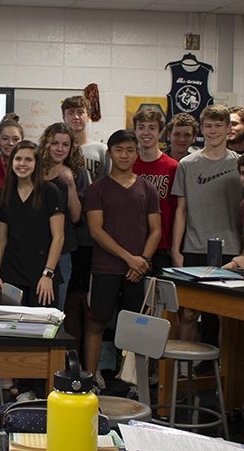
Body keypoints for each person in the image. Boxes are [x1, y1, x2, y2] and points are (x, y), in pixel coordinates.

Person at [84, 129, 160, 388]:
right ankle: (91, 377)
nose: (124, 155)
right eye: (119, 150)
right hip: (106, 267)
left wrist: (143, 260)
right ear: (110, 153)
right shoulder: (98, 189)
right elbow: (96, 230)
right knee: (96, 323)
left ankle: (135, 382)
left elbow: (156, 230)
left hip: (139, 270)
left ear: (136, 153)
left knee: (137, 329)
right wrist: (130, 258)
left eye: (129, 150)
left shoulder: (147, 189)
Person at [171, 104, 243, 343]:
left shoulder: (240, 165)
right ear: (201, 129)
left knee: (226, 315)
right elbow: (181, 210)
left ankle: (221, 371)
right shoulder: (187, 164)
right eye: (208, 126)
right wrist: (176, 250)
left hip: (231, 250)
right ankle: (183, 372)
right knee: (189, 312)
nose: (213, 131)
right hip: (194, 248)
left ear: (227, 129)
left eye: (218, 126)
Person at [0, 140, 64, 307]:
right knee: (12, 329)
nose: (22, 164)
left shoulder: (49, 191)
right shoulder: (5, 195)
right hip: (11, 276)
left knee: (42, 329)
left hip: (42, 276)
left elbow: (59, 237)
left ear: (36, 163)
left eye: (28, 160)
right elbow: (2, 240)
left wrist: (48, 274)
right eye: (18, 159)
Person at [37, 122, 90, 314]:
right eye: (55, 143)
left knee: (55, 306)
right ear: (46, 144)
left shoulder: (76, 171)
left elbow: (76, 216)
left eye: (65, 144)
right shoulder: (35, 168)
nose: (60, 149)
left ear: (71, 147)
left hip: (62, 248)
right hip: (33, 246)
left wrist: (70, 184)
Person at [132, 108, 179, 274]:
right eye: (141, 127)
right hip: (132, 245)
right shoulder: (128, 165)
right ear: (135, 131)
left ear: (160, 133)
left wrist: (175, 248)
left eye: (152, 127)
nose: (146, 132)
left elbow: (178, 210)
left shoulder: (172, 167)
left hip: (162, 246)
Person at [62, 95, 108, 181]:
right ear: (64, 118)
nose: (76, 117)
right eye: (71, 113)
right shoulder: (59, 150)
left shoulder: (102, 150)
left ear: (88, 116)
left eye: (80, 112)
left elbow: (110, 182)